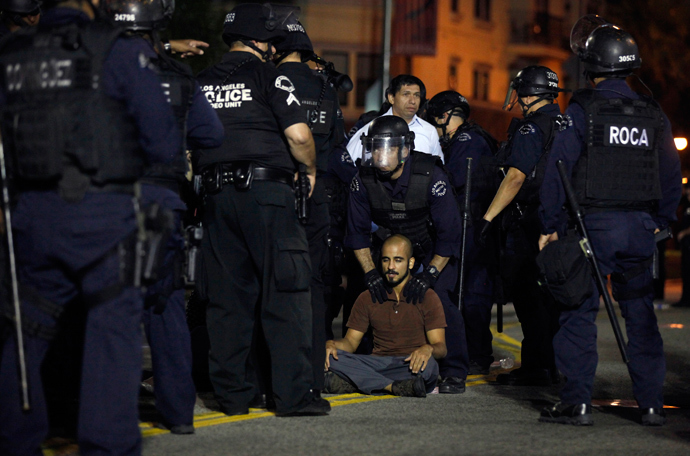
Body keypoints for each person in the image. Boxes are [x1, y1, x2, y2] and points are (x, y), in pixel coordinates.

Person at [0, 0, 181, 454]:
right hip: (103, 218)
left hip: (29, 217)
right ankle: (108, 446)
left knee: (25, 338)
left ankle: (16, 441)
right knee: (111, 335)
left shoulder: (12, 53)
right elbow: (161, 140)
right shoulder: (115, 49)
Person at [538, 19, 681, 426]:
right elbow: (670, 172)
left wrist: (549, 225)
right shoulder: (653, 114)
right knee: (640, 316)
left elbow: (558, 169)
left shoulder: (584, 109)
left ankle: (577, 402)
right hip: (639, 230)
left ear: (591, 66)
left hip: (593, 229)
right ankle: (652, 404)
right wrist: (660, 220)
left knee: (579, 312)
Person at [194, 2, 330, 417]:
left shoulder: (200, 81)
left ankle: (235, 397)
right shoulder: (270, 76)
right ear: (258, 40)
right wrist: (308, 171)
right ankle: (293, 397)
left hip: (215, 196)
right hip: (267, 195)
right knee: (286, 294)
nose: (273, 49)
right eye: (271, 42)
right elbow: (299, 134)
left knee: (226, 301)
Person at [102, 0, 225, 434]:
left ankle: (108, 415)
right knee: (168, 306)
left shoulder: (99, 67)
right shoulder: (176, 75)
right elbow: (211, 133)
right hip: (164, 203)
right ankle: (179, 414)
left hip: (110, 204)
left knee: (111, 309)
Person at [346, 115, 468, 394]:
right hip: (386, 249)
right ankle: (370, 363)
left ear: (405, 150)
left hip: (431, 250)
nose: (381, 155)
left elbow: (449, 236)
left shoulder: (430, 175)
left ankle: (454, 371)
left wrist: (430, 275)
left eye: (389, 148)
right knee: (363, 296)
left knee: (442, 301)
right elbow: (356, 234)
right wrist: (370, 273)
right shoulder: (362, 178)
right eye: (376, 147)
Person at [477, 65, 568, 386]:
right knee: (554, 298)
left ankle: (537, 367)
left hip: (530, 221)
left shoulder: (532, 128)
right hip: (561, 222)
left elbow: (516, 177)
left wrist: (488, 218)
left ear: (528, 94)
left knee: (529, 295)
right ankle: (552, 364)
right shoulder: (567, 123)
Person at [273, 16, 345, 400]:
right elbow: (335, 144)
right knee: (314, 286)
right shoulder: (325, 88)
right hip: (317, 194)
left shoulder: (268, 81)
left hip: (276, 188)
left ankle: (271, 376)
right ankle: (313, 379)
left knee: (271, 283)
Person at [426, 90, 498, 375]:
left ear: (444, 116)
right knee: (470, 292)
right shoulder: (475, 137)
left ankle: (476, 353)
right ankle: (476, 352)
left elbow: (452, 179)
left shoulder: (466, 141)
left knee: (470, 294)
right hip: (476, 223)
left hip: (472, 224)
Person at [324, 234, 447, 397]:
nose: (391, 266)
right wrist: (331, 344)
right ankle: (391, 387)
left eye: (398, 260)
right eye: (386, 260)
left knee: (430, 367)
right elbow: (351, 343)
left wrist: (428, 349)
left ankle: (359, 382)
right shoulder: (367, 297)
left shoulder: (428, 296)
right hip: (377, 363)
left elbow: (441, 348)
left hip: (411, 365)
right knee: (327, 357)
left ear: (410, 263)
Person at [346, 74, 443, 164]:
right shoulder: (372, 129)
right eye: (406, 94)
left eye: (416, 95)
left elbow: (438, 167)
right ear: (391, 98)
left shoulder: (429, 131)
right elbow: (348, 165)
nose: (412, 101)